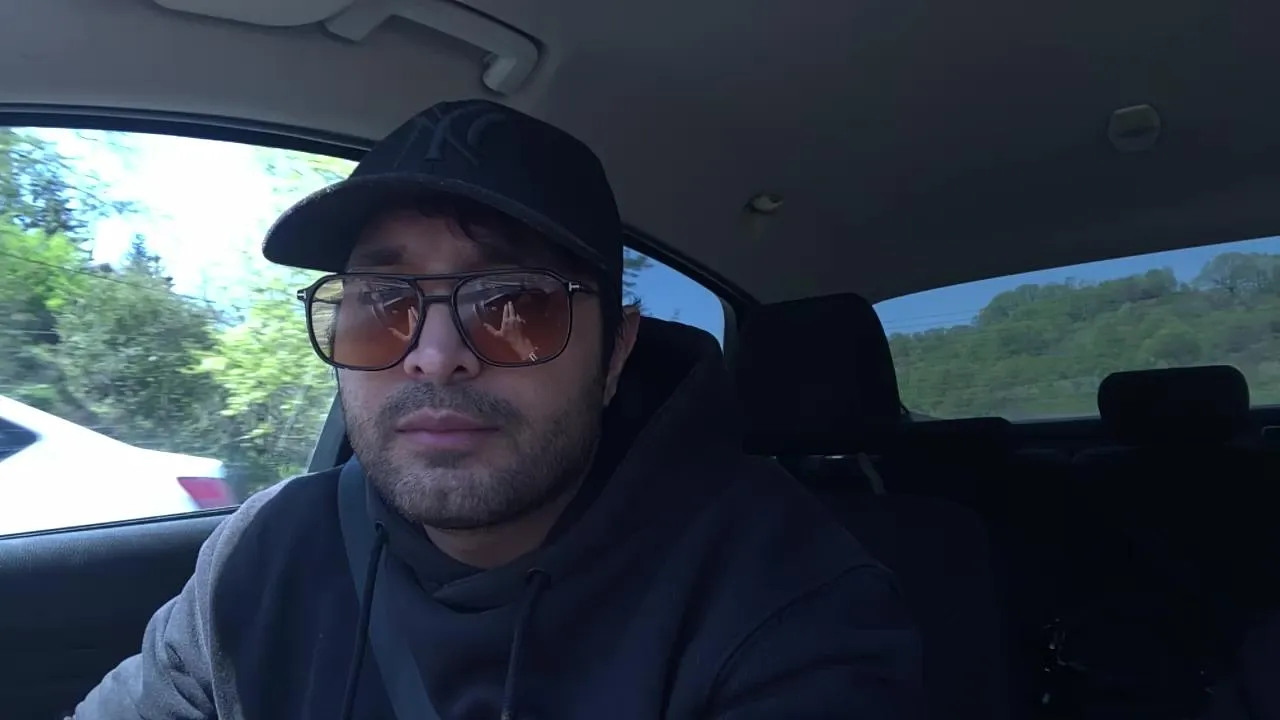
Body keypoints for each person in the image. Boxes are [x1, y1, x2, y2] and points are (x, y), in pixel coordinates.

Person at [73, 99, 924, 719]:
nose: (434, 353)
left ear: (615, 353)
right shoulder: (262, 557)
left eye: (516, 304)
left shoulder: (787, 602)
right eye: (383, 303)